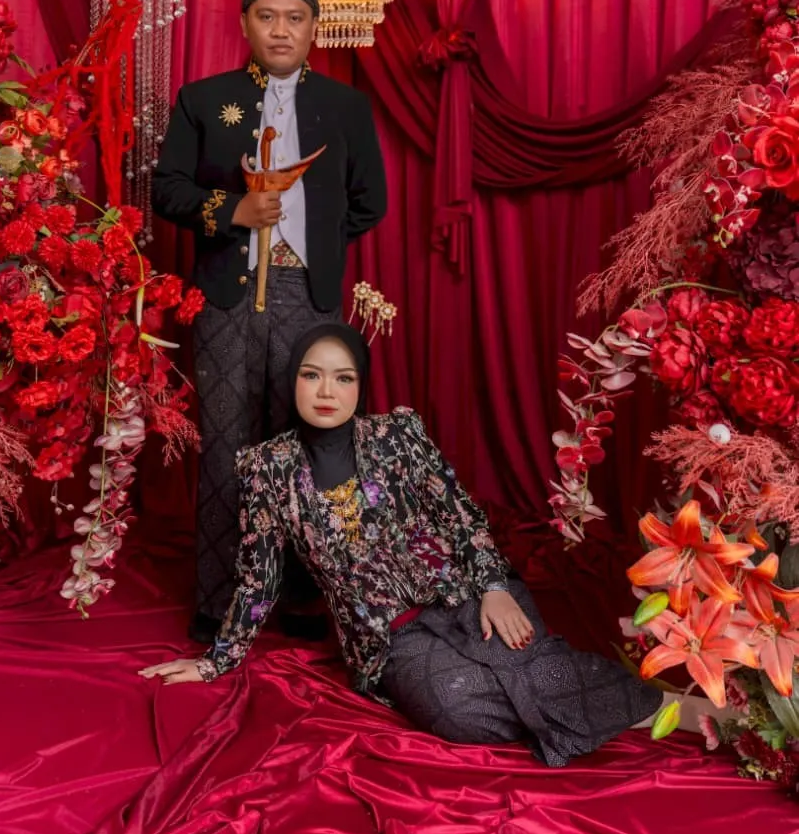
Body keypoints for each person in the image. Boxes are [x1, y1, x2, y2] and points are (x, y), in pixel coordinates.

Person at [140, 324, 665, 767]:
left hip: (467, 593)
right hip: (391, 637)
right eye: (312, 375)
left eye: (343, 377)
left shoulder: (398, 434)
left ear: (360, 384)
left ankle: (657, 707)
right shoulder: (267, 468)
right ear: (292, 380)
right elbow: (260, 578)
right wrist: (218, 659)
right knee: (457, 709)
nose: (326, 391)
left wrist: (493, 586)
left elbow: (460, 515)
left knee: (523, 661)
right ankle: (602, 704)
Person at [151, 0, 387, 642]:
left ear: (314, 28)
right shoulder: (204, 100)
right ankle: (221, 599)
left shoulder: (346, 106)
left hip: (306, 296)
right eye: (267, 16)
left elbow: (370, 201)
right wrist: (235, 212)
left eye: (295, 18)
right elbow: (167, 190)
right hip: (227, 296)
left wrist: (311, 243)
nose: (281, 30)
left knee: (307, 441)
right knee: (228, 444)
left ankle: (304, 596)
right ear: (245, 23)